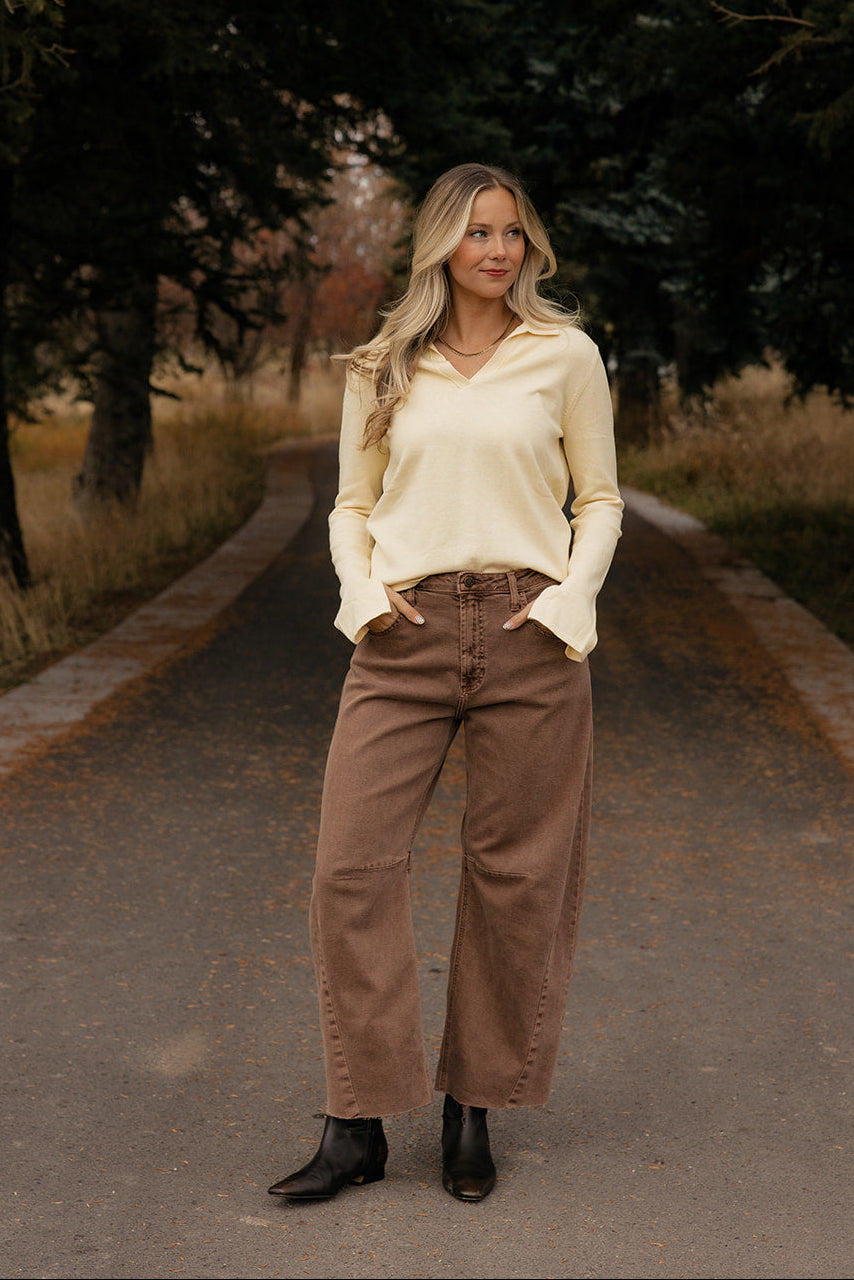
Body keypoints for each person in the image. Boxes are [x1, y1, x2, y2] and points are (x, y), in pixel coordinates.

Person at [268, 161, 623, 1204]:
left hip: (528, 633)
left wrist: (568, 601)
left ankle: (471, 1107)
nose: (497, 250)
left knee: (514, 877)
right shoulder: (382, 364)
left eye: (511, 232)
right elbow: (351, 503)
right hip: (404, 633)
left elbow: (599, 499)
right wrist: (361, 592)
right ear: (440, 245)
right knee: (349, 868)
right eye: (477, 232)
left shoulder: (564, 355)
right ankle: (356, 1121)